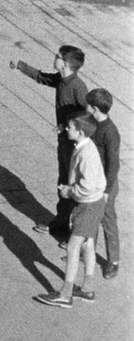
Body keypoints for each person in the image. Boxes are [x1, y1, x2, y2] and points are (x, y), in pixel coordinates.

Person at [11, 43, 90, 241]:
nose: (53, 58)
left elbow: (87, 114)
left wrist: (65, 124)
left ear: (64, 64)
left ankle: (75, 233)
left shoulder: (78, 87)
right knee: (63, 180)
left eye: (57, 56)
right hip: (64, 142)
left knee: (72, 184)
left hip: (74, 144)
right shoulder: (61, 79)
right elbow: (42, 77)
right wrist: (21, 66)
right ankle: (61, 221)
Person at [39, 110, 107, 308]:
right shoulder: (86, 147)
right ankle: (86, 289)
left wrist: (70, 191)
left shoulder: (86, 154)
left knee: (72, 247)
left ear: (80, 132)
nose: (66, 129)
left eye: (70, 127)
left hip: (87, 206)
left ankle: (65, 293)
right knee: (88, 245)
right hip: (93, 205)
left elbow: (88, 185)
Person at [86, 90, 120, 281]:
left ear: (95, 108)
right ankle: (87, 252)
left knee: (107, 221)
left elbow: (113, 163)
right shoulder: (94, 122)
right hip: (93, 179)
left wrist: (106, 191)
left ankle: (113, 261)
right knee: (90, 216)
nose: (86, 108)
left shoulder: (110, 131)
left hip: (106, 184)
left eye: (88, 105)